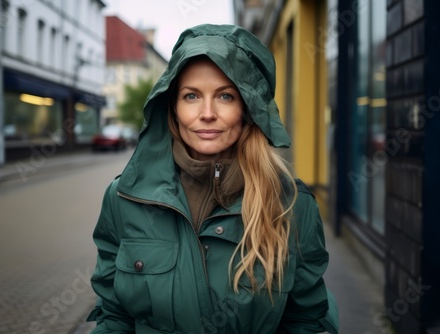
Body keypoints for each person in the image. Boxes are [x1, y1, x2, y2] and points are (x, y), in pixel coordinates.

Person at [87, 24, 339, 333]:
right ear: (172, 106)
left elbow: (305, 321)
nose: (207, 113)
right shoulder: (125, 199)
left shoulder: (290, 203)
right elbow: (114, 316)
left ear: (247, 108)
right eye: (191, 95)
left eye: (225, 96)